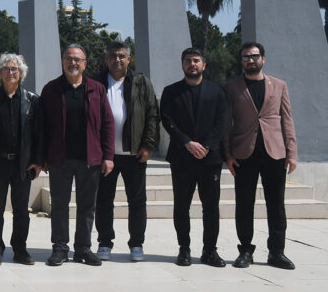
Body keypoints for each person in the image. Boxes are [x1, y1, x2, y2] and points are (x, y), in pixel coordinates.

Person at [224, 42, 298, 270]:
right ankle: (245, 250)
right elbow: (226, 124)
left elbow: (287, 119)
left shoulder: (279, 85)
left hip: (274, 153)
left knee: (276, 205)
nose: (250, 60)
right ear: (241, 61)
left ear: (263, 59)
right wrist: (228, 155)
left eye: (254, 56)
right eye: (246, 57)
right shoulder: (232, 88)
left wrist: (292, 152)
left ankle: (277, 252)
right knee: (244, 205)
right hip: (243, 154)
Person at [40, 44, 114, 267]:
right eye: (69, 59)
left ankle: (83, 248)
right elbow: (42, 126)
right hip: (59, 159)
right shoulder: (51, 89)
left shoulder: (97, 89)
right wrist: (42, 157)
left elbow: (108, 124)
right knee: (59, 205)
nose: (73, 63)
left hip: (90, 159)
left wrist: (108, 156)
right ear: (63, 62)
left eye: (77, 59)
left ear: (85, 64)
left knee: (87, 206)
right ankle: (60, 248)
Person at [160, 47, 230, 268]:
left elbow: (223, 120)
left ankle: (210, 250)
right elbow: (167, 120)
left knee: (211, 207)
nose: (192, 64)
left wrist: (207, 145)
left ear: (204, 65)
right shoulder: (171, 91)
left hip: (210, 158)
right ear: (182, 65)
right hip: (182, 157)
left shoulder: (217, 91)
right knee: (182, 205)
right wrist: (187, 143)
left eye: (196, 60)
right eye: (188, 60)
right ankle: (184, 249)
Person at [95, 41, 159, 263]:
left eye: (122, 56)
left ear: (129, 59)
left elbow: (152, 114)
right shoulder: (96, 83)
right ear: (107, 59)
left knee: (137, 201)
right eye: (113, 56)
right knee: (104, 200)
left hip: (135, 154)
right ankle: (104, 242)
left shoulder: (141, 82)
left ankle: (137, 244)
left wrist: (148, 145)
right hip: (106, 155)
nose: (117, 60)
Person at [0, 53, 43, 266]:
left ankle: (20, 249)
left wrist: (38, 160)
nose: (10, 72)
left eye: (14, 69)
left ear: (21, 73)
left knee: (21, 210)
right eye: (6, 69)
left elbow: (39, 133)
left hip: (22, 164)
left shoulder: (31, 99)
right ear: (0, 73)